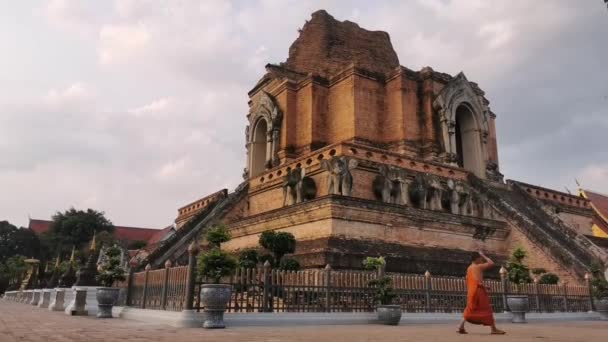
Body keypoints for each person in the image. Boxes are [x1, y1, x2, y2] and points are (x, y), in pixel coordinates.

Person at [457, 251, 506, 335]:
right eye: (480, 258)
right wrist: (483, 255)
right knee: (487, 309)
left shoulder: (469, 268)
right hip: (479, 291)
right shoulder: (478, 267)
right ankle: (493, 329)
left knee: (470, 309)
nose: (482, 260)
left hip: (471, 291)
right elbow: (491, 263)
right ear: (477, 259)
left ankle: (460, 327)